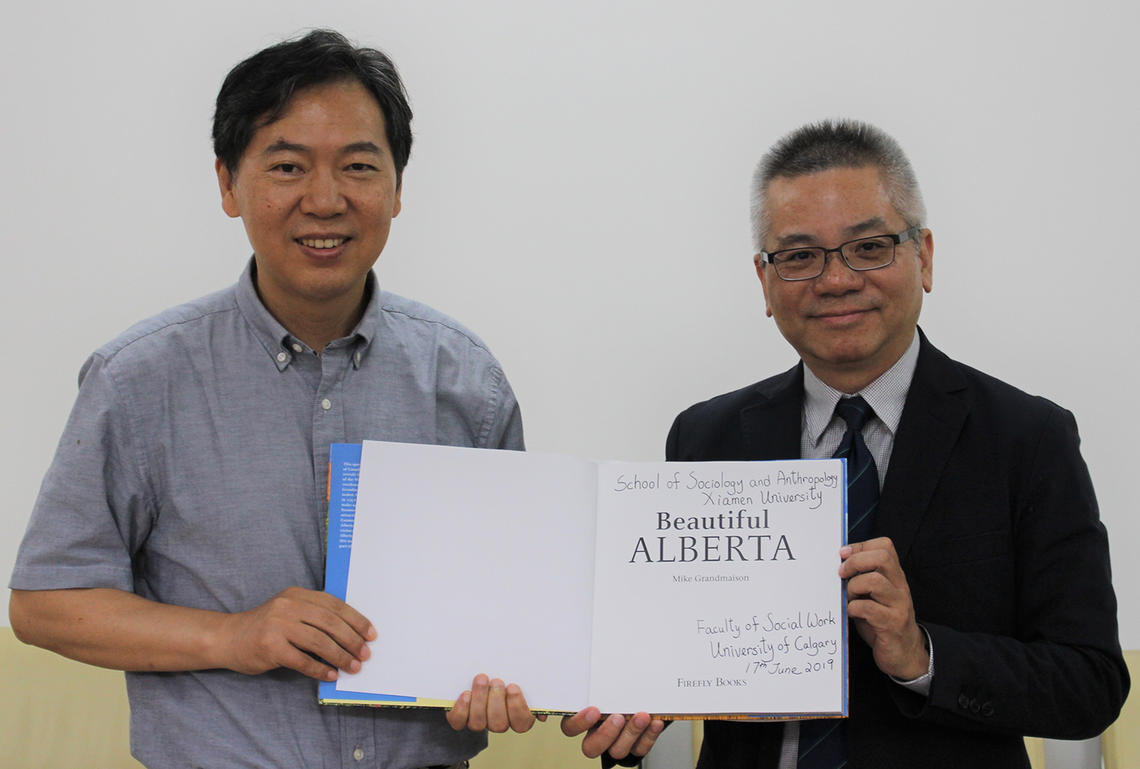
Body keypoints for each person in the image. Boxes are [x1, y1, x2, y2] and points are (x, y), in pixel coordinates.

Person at [7, 29, 654, 769]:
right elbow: (44, 602)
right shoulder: (140, 379)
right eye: (287, 166)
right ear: (227, 183)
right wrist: (233, 635)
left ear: (398, 187)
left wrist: (503, 679)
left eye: (358, 166)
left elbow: (507, 611)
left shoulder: (465, 379)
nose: (325, 199)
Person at [664, 120, 1129, 768]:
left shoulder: (1028, 439)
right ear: (764, 281)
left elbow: (1090, 682)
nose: (836, 280)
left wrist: (924, 655)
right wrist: (626, 713)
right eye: (799, 255)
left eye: (869, 246)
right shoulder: (707, 438)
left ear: (925, 256)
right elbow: (673, 654)